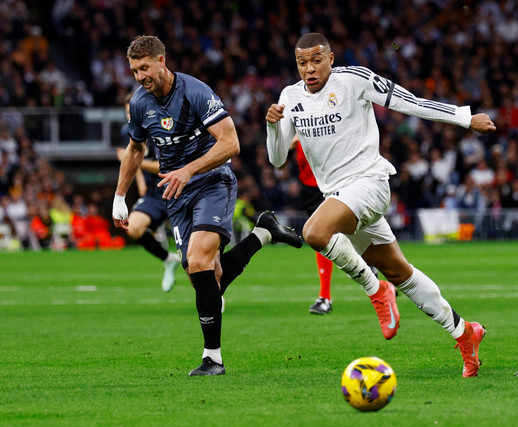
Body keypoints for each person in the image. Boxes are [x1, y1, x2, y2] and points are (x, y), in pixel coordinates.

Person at [266, 33, 496, 378]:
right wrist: (272, 127)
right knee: (402, 272)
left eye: (316, 60)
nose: (309, 69)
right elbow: (277, 159)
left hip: (369, 183)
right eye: (302, 63)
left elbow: (409, 101)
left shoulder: (354, 79)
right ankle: (465, 333)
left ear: (331, 57)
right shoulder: (290, 96)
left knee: (313, 232)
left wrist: (464, 118)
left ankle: (377, 291)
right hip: (340, 198)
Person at [113, 35, 302, 377]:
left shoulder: (195, 92)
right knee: (204, 276)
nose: (140, 76)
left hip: (212, 182)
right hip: (176, 194)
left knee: (199, 261)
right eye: (134, 71)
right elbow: (135, 149)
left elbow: (231, 143)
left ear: (161, 60)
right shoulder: (140, 103)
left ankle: (212, 358)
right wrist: (119, 198)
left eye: (144, 68)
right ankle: (263, 234)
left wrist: (187, 170)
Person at [117, 92, 181, 292]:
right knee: (133, 227)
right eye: (127, 111)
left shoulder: (162, 126)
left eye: (132, 111)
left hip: (178, 188)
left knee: (194, 253)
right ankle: (168, 259)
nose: (130, 115)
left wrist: (138, 164)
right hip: (155, 192)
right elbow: (135, 155)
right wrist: (139, 179)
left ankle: (214, 292)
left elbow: (164, 166)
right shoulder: (130, 129)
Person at [290, 135, 334, 315]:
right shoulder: (292, 112)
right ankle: (378, 280)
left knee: (322, 237)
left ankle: (325, 297)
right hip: (309, 186)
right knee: (321, 238)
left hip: (328, 183)